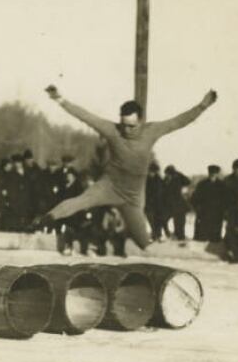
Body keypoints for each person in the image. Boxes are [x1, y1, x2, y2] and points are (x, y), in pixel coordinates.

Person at [31, 84, 217, 251]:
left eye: (131, 126)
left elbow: (179, 121)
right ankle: (47, 218)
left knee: (144, 243)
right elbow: (86, 116)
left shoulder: (151, 131)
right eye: (124, 125)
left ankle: (118, 238)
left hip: (133, 196)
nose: (126, 130)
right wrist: (60, 99)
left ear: (141, 121)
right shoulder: (113, 131)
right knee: (81, 201)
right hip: (109, 185)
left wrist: (202, 106)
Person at [191, 165, 229, 242]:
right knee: (202, 238)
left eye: (214, 173)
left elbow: (226, 199)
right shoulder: (202, 184)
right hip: (204, 213)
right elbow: (194, 198)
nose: (212, 175)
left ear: (217, 174)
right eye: (211, 173)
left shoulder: (222, 185)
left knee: (215, 238)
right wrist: (197, 208)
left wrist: (225, 210)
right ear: (208, 173)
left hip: (217, 213)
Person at [162, 165, 191, 240]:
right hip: (168, 204)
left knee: (180, 222)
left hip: (179, 204)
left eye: (168, 173)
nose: (167, 175)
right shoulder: (165, 180)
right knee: (163, 219)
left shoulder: (178, 178)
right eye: (166, 174)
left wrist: (179, 173)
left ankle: (180, 236)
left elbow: (188, 181)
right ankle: (169, 234)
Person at [144, 162, 164, 241]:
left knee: (157, 220)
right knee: (151, 219)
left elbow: (161, 191)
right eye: (151, 171)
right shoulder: (146, 179)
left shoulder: (159, 179)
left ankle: (157, 235)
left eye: (154, 172)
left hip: (157, 204)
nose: (152, 173)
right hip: (149, 203)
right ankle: (155, 234)